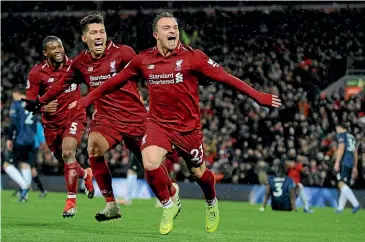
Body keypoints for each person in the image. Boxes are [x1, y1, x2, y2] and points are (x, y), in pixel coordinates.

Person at [68, 12, 281, 234]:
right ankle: (169, 205)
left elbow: (226, 78)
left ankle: (211, 202)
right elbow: (113, 82)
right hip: (158, 124)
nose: (173, 31)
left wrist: (258, 96)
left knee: (199, 174)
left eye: (175, 27)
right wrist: (86, 100)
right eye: (167, 28)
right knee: (149, 161)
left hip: (188, 128)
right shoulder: (144, 59)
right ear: (156, 34)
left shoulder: (193, 57)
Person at [25, 14, 180, 222]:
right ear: (84, 38)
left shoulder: (124, 53)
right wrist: (40, 101)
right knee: (94, 148)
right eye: (93, 33)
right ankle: (111, 204)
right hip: (106, 119)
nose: (99, 36)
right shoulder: (80, 63)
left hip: (134, 118)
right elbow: (60, 84)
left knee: (149, 164)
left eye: (101, 32)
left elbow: (149, 73)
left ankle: (171, 191)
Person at [24, 36, 94, 217]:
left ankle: (71, 201)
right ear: (45, 53)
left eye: (60, 46)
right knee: (66, 161)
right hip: (51, 125)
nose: (58, 50)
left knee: (68, 152)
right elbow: (29, 104)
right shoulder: (37, 73)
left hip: (74, 117)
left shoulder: (75, 66)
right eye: (53, 48)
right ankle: (86, 175)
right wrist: (42, 107)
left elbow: (95, 85)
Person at [4, 86, 36, 202]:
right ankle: (24, 197)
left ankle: (24, 186)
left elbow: (13, 123)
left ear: (17, 93)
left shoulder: (17, 104)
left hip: (20, 140)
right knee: (25, 164)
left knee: (7, 165)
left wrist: (9, 139)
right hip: (31, 140)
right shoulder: (32, 104)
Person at [334, 124, 361, 214]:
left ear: (340, 127)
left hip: (345, 162)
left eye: (337, 128)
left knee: (341, 184)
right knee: (344, 185)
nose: (336, 130)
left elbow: (341, 148)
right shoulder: (352, 136)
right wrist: (355, 166)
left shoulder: (342, 135)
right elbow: (355, 152)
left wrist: (337, 162)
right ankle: (340, 208)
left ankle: (356, 204)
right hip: (351, 163)